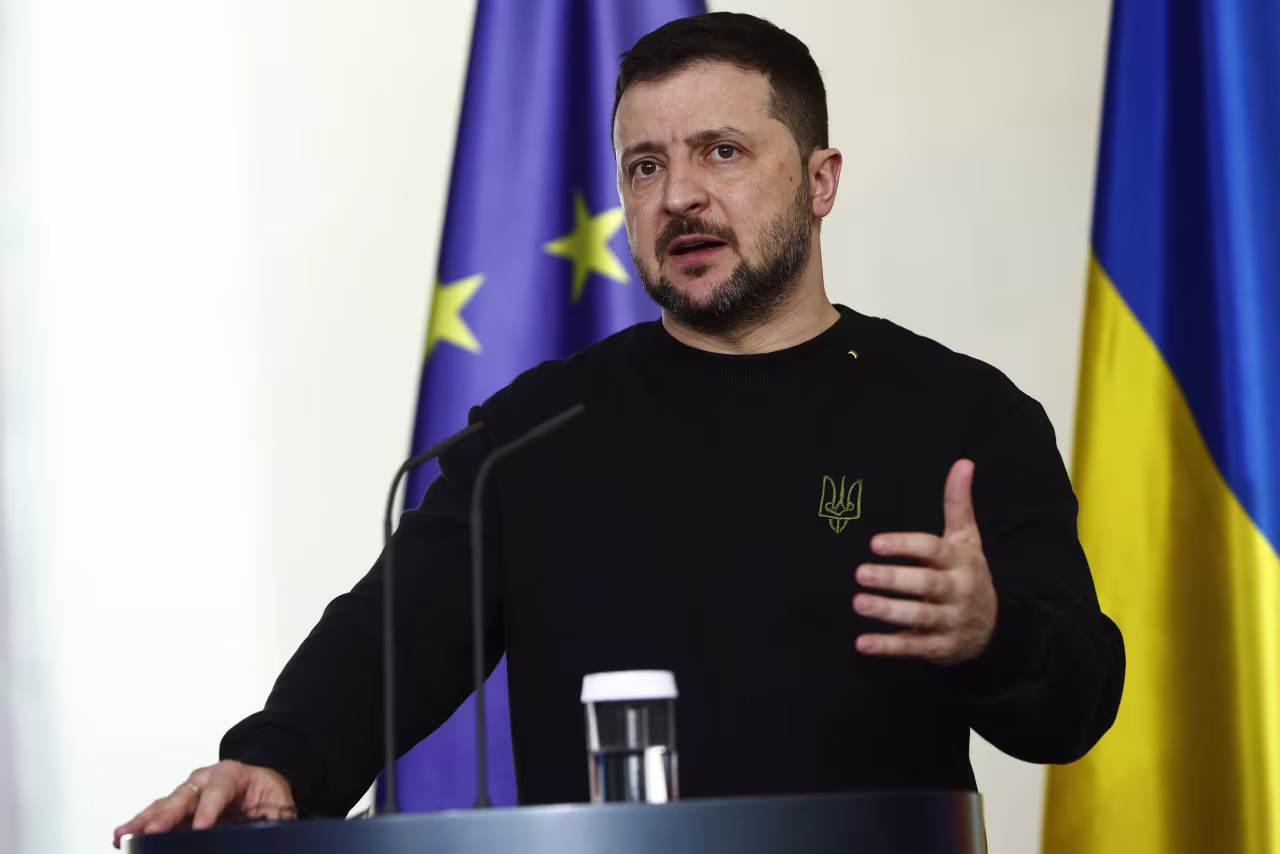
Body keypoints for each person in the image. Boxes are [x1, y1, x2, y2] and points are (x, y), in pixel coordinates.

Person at [115, 11, 1124, 845]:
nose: (677, 194)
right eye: (643, 166)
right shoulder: (537, 433)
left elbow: (1075, 708)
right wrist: (273, 754)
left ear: (819, 180)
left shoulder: (958, 415)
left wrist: (994, 635)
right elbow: (389, 637)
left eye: (719, 152)